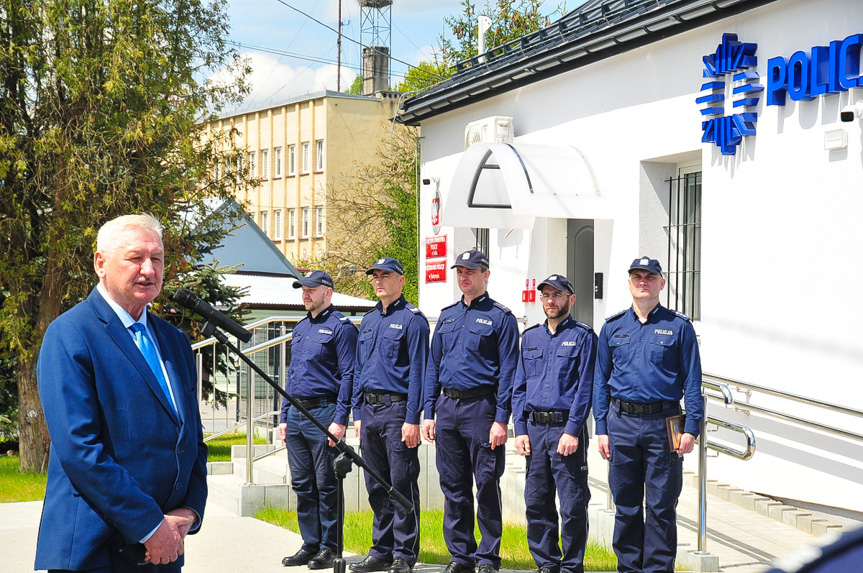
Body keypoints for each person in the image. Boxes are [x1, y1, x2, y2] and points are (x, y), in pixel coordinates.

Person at [35, 214, 208, 572]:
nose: (149, 269)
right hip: (96, 550)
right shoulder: (70, 333)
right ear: (101, 263)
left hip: (164, 547)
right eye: (135, 258)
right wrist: (149, 525)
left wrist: (188, 512)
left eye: (157, 258)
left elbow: (192, 440)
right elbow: (80, 450)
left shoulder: (174, 341)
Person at [593, 257, 704, 573]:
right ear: (629, 283)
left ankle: (657, 569)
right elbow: (600, 381)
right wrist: (601, 427)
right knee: (626, 507)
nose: (643, 281)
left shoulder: (678, 327)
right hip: (622, 424)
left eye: (650, 277)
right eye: (637, 276)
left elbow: (692, 381)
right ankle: (628, 568)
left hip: (664, 424)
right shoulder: (613, 327)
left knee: (661, 507)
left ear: (661, 284)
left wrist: (691, 428)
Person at [422, 249, 520, 573]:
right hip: (447, 408)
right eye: (460, 272)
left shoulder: (500, 317)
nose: (464, 277)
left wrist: (501, 419)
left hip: (482, 408)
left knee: (487, 483)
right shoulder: (447, 316)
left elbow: (509, 371)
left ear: (485, 274)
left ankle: (488, 558)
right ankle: (460, 556)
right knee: (453, 486)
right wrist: (428, 412)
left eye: (471, 271)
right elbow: (432, 366)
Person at [512, 274, 596, 573]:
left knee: (573, 504)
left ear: (570, 299)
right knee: (536, 501)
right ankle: (547, 563)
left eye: (557, 295)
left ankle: (572, 565)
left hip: (565, 431)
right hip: (534, 430)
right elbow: (519, 387)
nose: (551, 300)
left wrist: (573, 430)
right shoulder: (530, 337)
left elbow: (586, 387)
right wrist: (519, 429)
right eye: (546, 295)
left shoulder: (584, 336)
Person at [350, 257, 429, 573]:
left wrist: (413, 418)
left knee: (401, 483)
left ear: (402, 281)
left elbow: (419, 374)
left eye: (386, 276)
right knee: (376, 485)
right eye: (375, 276)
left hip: (398, 412)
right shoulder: (368, 321)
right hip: (369, 412)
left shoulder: (413, 321)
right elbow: (359, 369)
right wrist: (357, 411)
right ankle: (380, 551)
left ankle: (404, 554)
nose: (379, 281)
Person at [279, 270, 358, 569]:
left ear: (328, 292)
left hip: (324, 413)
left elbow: (350, 375)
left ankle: (330, 546)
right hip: (297, 414)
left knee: (327, 484)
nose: (306, 294)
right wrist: (284, 416)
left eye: (311, 289)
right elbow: (291, 376)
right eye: (303, 289)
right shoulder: (300, 328)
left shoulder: (342, 328)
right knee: (302, 484)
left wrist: (341, 419)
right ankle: (310, 543)